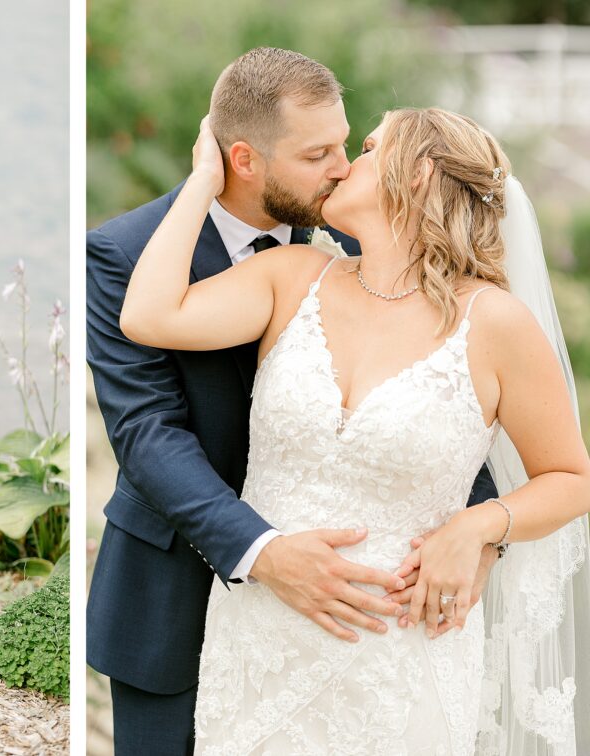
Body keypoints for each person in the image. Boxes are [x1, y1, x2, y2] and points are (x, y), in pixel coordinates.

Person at [120, 99, 590, 753]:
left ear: (420, 172)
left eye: (369, 148)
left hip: (400, 655)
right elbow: (148, 316)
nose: (344, 167)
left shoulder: (496, 322)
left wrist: (480, 527)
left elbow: (569, 478)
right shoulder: (291, 278)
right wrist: (203, 178)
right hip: (261, 640)